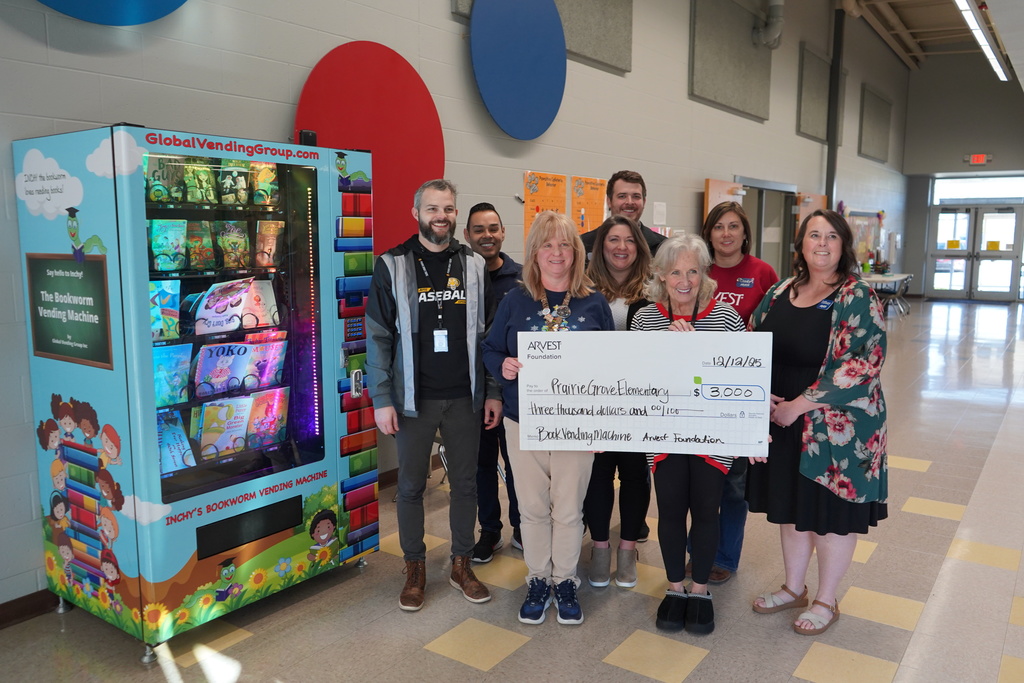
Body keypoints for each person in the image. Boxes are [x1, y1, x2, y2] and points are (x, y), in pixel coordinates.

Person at [747, 209, 888, 636]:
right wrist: (756, 396)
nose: (821, 243)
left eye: (831, 236)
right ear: (801, 244)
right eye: (813, 235)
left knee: (829, 516)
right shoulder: (780, 292)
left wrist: (798, 405)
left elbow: (864, 364)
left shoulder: (857, 295)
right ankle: (794, 587)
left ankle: (827, 598)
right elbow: (752, 345)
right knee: (791, 510)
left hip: (837, 431)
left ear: (844, 245)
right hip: (783, 423)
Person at [366, 179, 503, 612]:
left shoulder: (475, 266)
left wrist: (494, 391)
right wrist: (381, 397)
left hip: (466, 397)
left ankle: (461, 564)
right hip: (412, 400)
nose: (440, 216)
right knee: (409, 487)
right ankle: (415, 567)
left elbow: (489, 337)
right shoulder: (392, 264)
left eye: (447, 209)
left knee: (465, 485)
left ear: (455, 214)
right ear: (416, 212)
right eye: (431, 209)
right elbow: (378, 336)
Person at [483, 211, 614, 625]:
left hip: (577, 424)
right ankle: (538, 579)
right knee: (533, 507)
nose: (556, 253)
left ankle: (565, 580)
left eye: (564, 245)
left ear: (576, 252)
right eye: (547, 245)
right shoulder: (515, 300)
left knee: (570, 509)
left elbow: (611, 369)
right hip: (524, 421)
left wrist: (601, 422)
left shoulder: (595, 303)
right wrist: (502, 364)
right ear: (535, 253)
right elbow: (489, 348)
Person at [630, 233, 745, 635]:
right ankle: (675, 587)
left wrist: (698, 350)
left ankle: (700, 591)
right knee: (671, 509)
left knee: (707, 509)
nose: (684, 280)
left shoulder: (725, 317)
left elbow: (743, 374)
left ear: (703, 274)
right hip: (663, 432)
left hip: (712, 433)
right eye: (675, 271)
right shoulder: (645, 317)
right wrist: (667, 345)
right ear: (660, 275)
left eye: (692, 271)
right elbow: (634, 374)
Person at [690, 202, 780, 584]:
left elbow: (777, 331)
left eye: (734, 227)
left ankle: (724, 557)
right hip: (695, 391)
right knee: (698, 479)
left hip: (740, 393)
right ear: (708, 233)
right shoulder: (696, 270)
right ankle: (698, 552)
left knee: (731, 481)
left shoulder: (763, 273)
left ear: (745, 233)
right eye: (718, 227)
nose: (726, 234)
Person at [581, 215, 652, 588]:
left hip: (640, 399)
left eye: (629, 240)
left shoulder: (656, 290)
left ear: (639, 247)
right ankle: (600, 547)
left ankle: (627, 550)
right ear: (601, 246)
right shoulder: (583, 288)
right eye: (613, 240)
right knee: (598, 472)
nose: (621, 247)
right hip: (596, 397)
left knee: (635, 473)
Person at [462, 202, 524, 562]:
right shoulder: (459, 276)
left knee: (517, 464)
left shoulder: (521, 279)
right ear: (467, 235)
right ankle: (489, 530)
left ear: (503, 232)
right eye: (479, 230)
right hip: (469, 392)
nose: (487, 236)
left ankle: (521, 527)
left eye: (493, 228)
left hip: (510, 391)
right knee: (481, 466)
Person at [580, 170, 666, 257]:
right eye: (622, 196)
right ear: (609, 201)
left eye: (636, 196)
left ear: (644, 202)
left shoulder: (663, 247)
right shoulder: (583, 244)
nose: (629, 202)